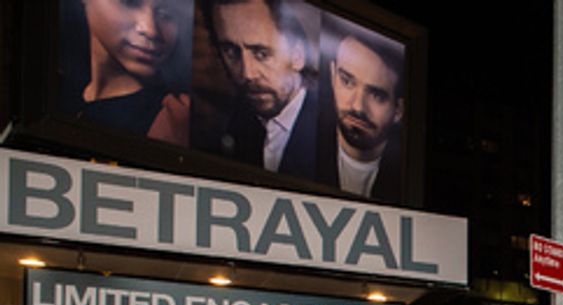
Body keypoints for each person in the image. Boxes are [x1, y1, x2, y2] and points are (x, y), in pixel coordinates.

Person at [202, 0, 318, 178]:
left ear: (298, 56)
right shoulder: (228, 126)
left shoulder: (328, 130)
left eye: (261, 54)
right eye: (231, 52)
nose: (247, 73)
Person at [59, 0, 191, 143]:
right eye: (130, 3)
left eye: (167, 13)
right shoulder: (57, 89)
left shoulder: (170, 119)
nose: (150, 30)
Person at [318, 25, 404, 200]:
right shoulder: (306, 147)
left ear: (398, 110)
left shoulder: (405, 174)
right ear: (333, 76)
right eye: (347, 81)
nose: (358, 107)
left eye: (376, 95)